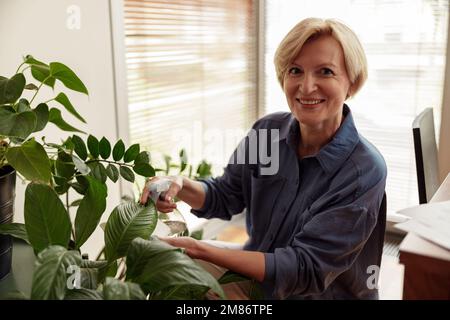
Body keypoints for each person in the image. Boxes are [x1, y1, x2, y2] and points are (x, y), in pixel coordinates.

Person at [140, 17, 387, 300]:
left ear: (352, 84)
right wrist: (181, 185)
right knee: (161, 267)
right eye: (295, 70)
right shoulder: (268, 133)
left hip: (312, 294)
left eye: (325, 72)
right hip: (261, 273)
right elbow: (225, 195)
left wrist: (198, 248)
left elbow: (303, 269)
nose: (306, 87)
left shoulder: (362, 170)